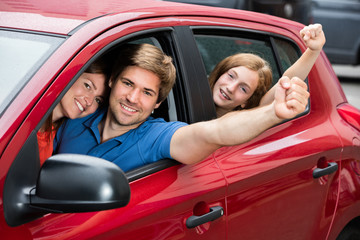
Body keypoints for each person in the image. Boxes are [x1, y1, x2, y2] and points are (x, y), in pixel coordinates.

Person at [53, 43, 309, 172]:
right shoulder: (76, 116)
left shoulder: (157, 136)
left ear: (158, 103)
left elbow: (213, 133)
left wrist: (273, 113)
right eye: (127, 83)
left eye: (147, 92)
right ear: (112, 82)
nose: (132, 97)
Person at [210, 23, 325, 117]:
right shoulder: (193, 87)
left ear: (246, 102)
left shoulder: (244, 121)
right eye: (230, 76)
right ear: (220, 72)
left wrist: (313, 51)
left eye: (243, 89)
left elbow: (287, 82)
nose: (231, 88)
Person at [37, 58, 110, 165]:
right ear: (70, 75)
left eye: (98, 100)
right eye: (87, 86)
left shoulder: (55, 134)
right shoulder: (26, 122)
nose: (89, 102)